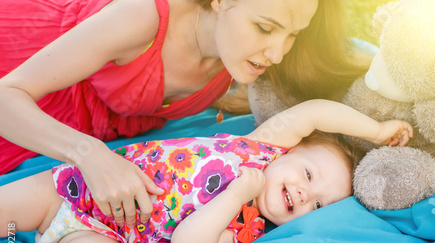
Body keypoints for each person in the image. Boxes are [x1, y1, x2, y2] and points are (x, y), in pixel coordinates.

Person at [0, 99, 413, 243]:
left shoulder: (247, 228)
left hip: (108, 239)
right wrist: (377, 132)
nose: (305, 193)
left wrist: (235, 197)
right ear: (290, 149)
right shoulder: (259, 147)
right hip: (77, 188)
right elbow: (317, 112)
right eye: (307, 173)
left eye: (318, 203)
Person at [1, 0, 337, 228]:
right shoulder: (141, 17)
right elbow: (7, 96)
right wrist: (90, 154)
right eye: (265, 29)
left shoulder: (237, 57)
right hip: (23, 66)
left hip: (81, 122)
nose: (277, 54)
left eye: (293, 34)